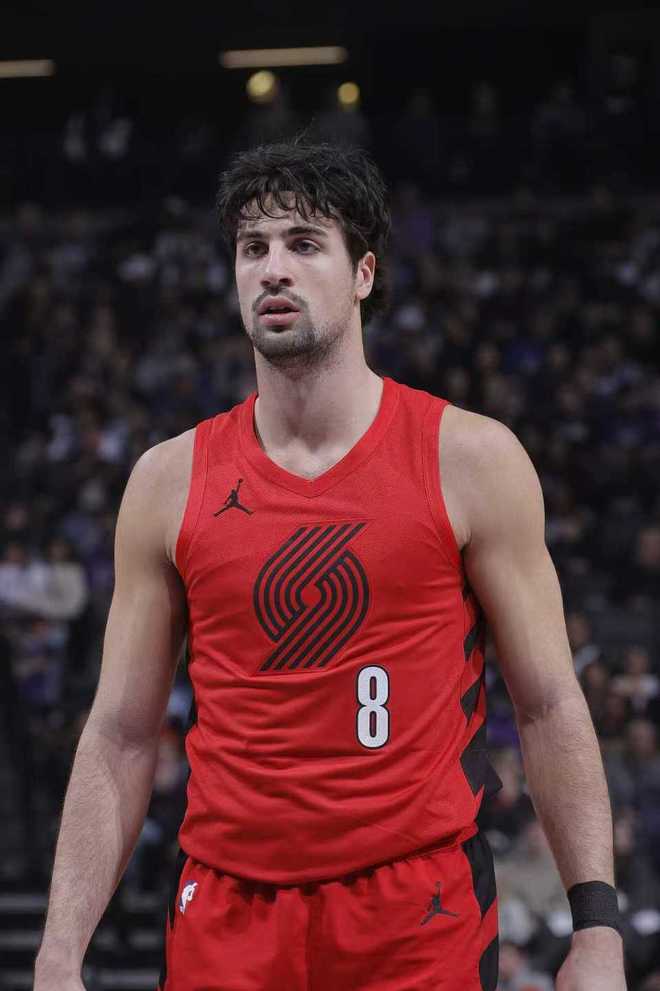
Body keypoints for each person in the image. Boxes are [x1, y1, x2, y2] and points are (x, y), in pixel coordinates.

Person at [34, 141, 626, 991]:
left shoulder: (471, 459)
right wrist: (59, 951)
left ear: (362, 275)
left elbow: (547, 703)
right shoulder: (166, 482)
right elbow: (121, 735)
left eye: (304, 243)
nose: (273, 268)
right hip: (228, 912)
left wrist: (597, 927)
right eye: (253, 248)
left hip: (416, 909)